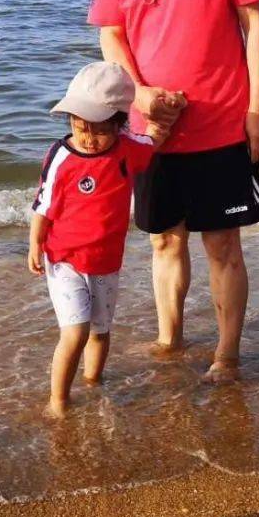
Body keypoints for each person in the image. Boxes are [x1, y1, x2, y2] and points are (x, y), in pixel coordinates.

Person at [86, 0, 259, 380]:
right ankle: (171, 339)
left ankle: (228, 354)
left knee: (222, 244)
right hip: (150, 128)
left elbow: (255, 26)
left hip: (223, 122)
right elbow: (111, 36)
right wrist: (138, 94)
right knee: (165, 240)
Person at [28, 62, 165, 416]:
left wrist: (166, 115)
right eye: (79, 126)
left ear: (120, 125)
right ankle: (58, 400)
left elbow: (151, 141)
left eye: (99, 130)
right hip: (65, 258)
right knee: (75, 331)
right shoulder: (61, 156)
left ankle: (93, 381)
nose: (88, 137)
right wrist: (34, 245)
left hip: (106, 261)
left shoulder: (126, 149)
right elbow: (43, 207)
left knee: (101, 332)